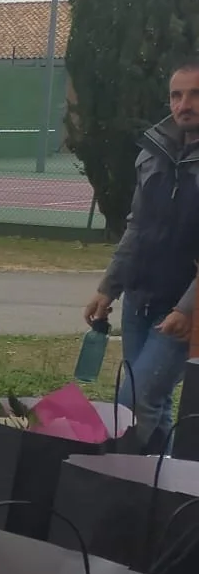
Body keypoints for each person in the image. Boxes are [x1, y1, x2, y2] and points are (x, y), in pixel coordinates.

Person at [85, 56, 199, 450]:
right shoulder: (153, 151)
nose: (185, 104)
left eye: (195, 94)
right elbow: (138, 227)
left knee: (135, 403)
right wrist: (108, 287)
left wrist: (187, 309)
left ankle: (134, 491)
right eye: (177, 95)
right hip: (139, 301)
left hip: (183, 309)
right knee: (152, 405)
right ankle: (160, 495)